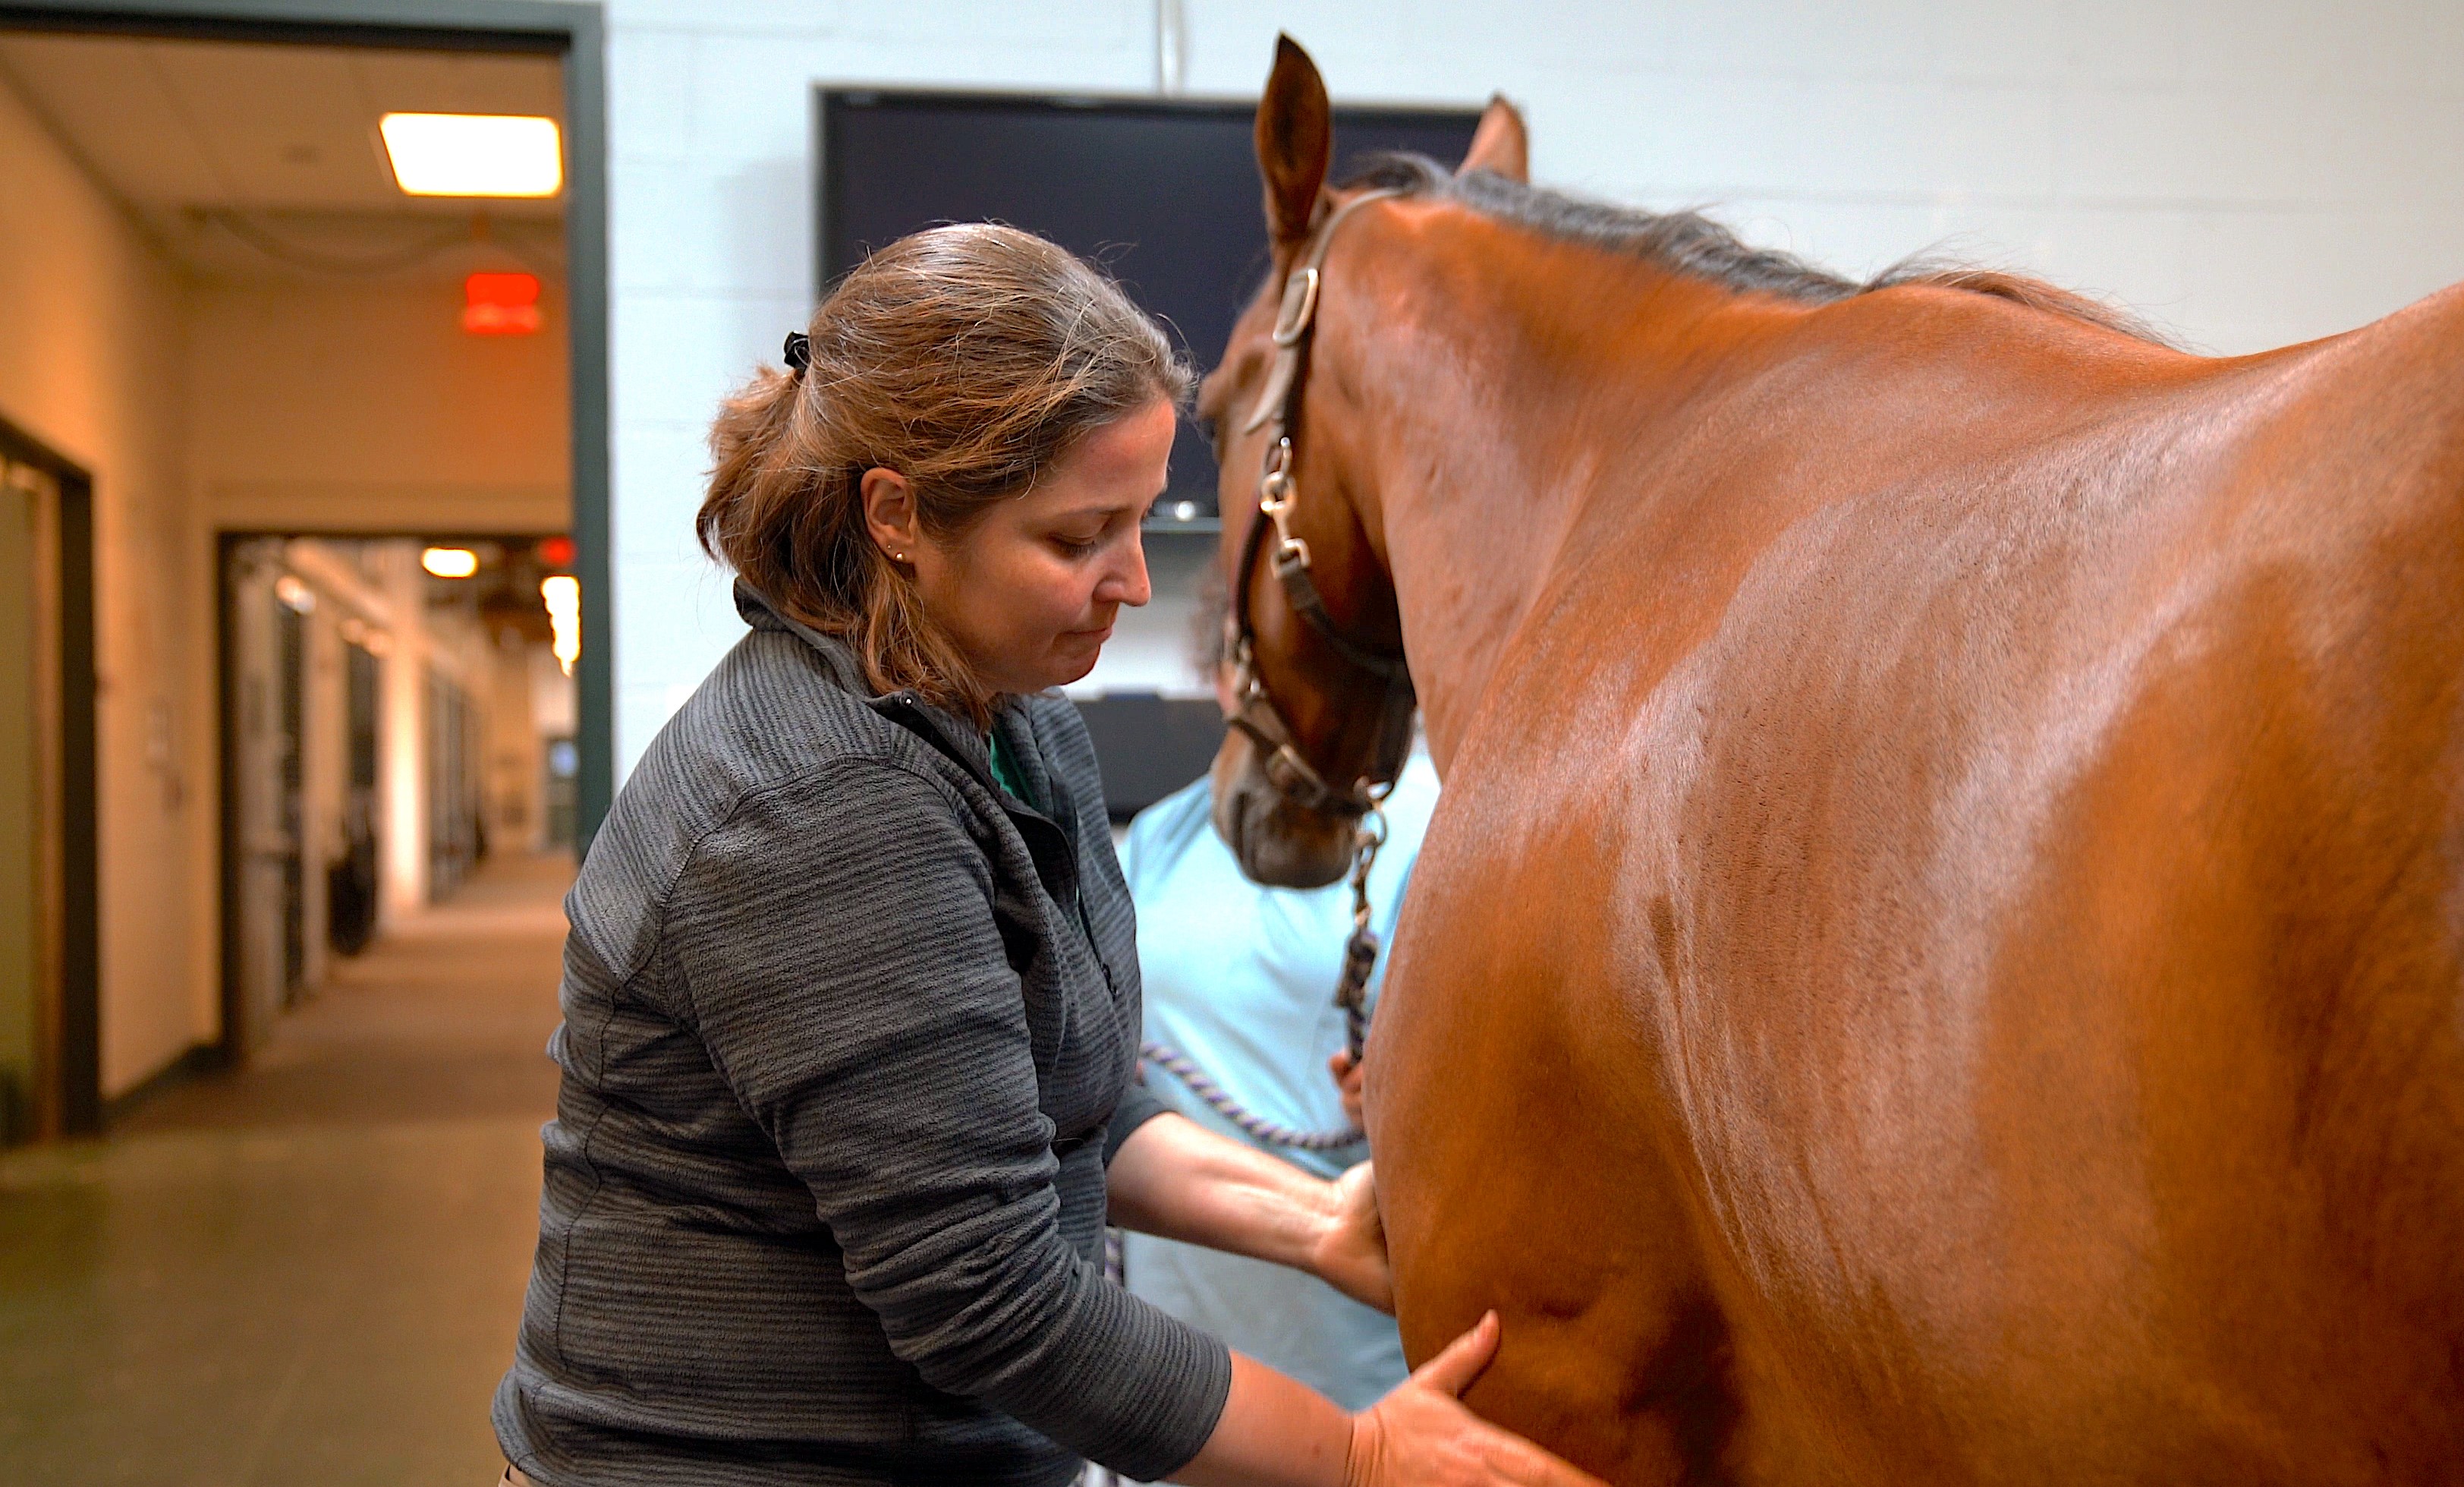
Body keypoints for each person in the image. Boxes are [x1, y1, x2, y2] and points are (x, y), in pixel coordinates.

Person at [490, 222, 1603, 1487]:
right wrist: (1360, 1452)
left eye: (1141, 520)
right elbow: (983, 1292)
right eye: (1078, 538)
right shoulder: (817, 800)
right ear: (898, 515)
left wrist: (1318, 1222)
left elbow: (1066, 1108)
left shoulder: (1013, 715)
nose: (1131, 580)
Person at [1122, 723, 1438, 1413]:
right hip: (1178, 1350)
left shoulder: (1434, 822)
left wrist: (1407, 1095)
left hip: (1355, 1354)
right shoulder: (1160, 835)